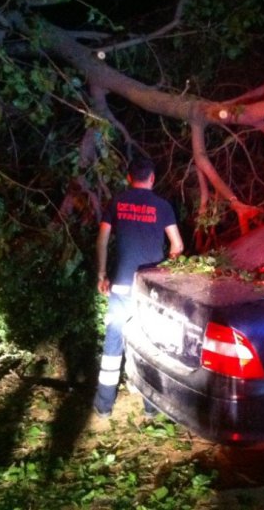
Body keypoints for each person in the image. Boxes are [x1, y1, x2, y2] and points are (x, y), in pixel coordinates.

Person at [93, 157, 183, 419]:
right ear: (152, 178)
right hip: (149, 291)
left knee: (112, 346)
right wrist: (162, 274)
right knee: (148, 346)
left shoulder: (117, 202)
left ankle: (104, 406)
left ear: (128, 177)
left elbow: (102, 239)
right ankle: (151, 409)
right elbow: (177, 247)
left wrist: (101, 274)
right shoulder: (163, 206)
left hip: (120, 286)